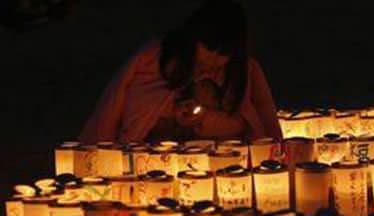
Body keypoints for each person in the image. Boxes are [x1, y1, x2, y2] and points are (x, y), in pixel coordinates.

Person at [80, 0, 281, 144]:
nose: (213, 60)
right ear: (194, 37)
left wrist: (204, 118)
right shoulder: (153, 60)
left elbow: (246, 123)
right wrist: (173, 112)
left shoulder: (243, 71)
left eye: (223, 54)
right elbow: (121, 109)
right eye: (209, 48)